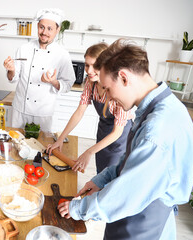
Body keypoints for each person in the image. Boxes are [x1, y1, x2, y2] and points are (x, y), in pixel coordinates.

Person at [58, 39, 193, 239]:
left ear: (123, 77)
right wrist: (101, 180)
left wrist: (78, 208)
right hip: (142, 214)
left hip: (143, 222)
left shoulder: (156, 132)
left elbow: (126, 194)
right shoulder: (161, 106)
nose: (107, 96)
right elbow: (131, 162)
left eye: (107, 88)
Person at [47, 43, 133, 173]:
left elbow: (117, 132)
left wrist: (88, 152)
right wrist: (60, 139)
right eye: (87, 65)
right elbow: (79, 112)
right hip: (103, 131)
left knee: (112, 176)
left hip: (119, 139)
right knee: (101, 173)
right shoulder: (90, 82)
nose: (89, 70)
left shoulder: (119, 89)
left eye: (95, 66)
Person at [3, 8, 75, 132]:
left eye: (49, 29)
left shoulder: (62, 54)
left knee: (41, 146)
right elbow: (13, 77)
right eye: (41, 27)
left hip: (43, 113)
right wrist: (11, 70)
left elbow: (68, 84)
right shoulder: (24, 49)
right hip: (20, 109)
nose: (44, 32)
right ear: (37, 26)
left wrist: (54, 82)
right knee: (15, 141)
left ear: (57, 30)